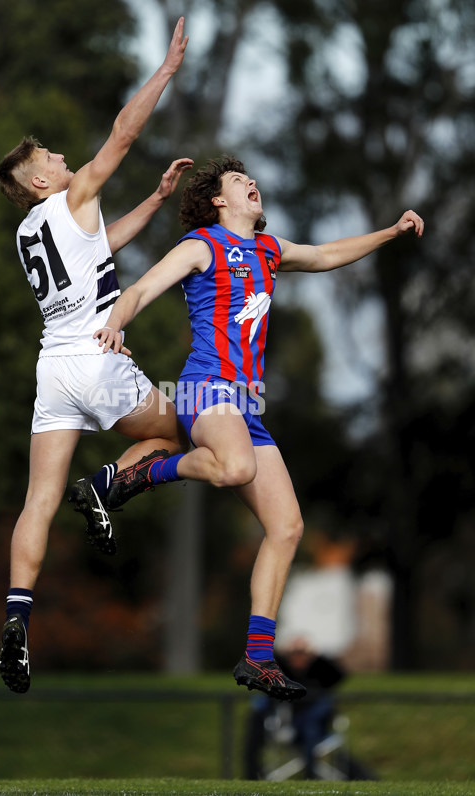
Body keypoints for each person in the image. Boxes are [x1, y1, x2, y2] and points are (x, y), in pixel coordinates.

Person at [91, 156, 424, 700]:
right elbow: (142, 289)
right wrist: (113, 325)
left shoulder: (268, 250)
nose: (252, 183)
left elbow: (323, 255)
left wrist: (389, 232)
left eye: (252, 179)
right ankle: (146, 474)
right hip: (205, 388)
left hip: (245, 405)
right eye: (238, 181)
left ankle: (257, 657)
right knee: (236, 466)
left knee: (287, 527)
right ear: (219, 201)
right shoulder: (204, 244)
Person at [0, 18, 191, 694]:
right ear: (42, 182)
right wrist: (164, 72)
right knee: (172, 430)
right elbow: (123, 135)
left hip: (52, 369)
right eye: (47, 157)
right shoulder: (71, 197)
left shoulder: (30, 230)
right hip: (96, 360)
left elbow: (98, 246)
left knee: (36, 501)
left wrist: (157, 200)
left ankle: (17, 619)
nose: (58, 156)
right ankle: (104, 487)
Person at [243, 637, 375, 780]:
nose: (299, 657)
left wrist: (316, 655)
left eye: (302, 653)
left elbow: (340, 674)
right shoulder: (283, 674)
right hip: (291, 728)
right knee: (258, 720)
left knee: (316, 716)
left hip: (317, 728)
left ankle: (315, 774)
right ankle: (253, 774)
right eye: (295, 653)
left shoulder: (319, 672)